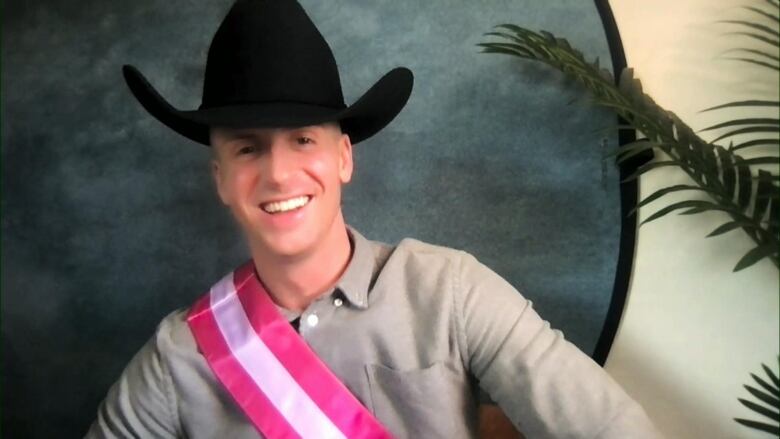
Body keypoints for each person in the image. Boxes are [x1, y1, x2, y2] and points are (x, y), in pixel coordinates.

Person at [87, 0, 663, 438]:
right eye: (247, 148)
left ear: (343, 157)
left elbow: (611, 427)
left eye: (304, 139)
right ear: (220, 179)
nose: (281, 174)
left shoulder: (450, 292)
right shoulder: (179, 356)